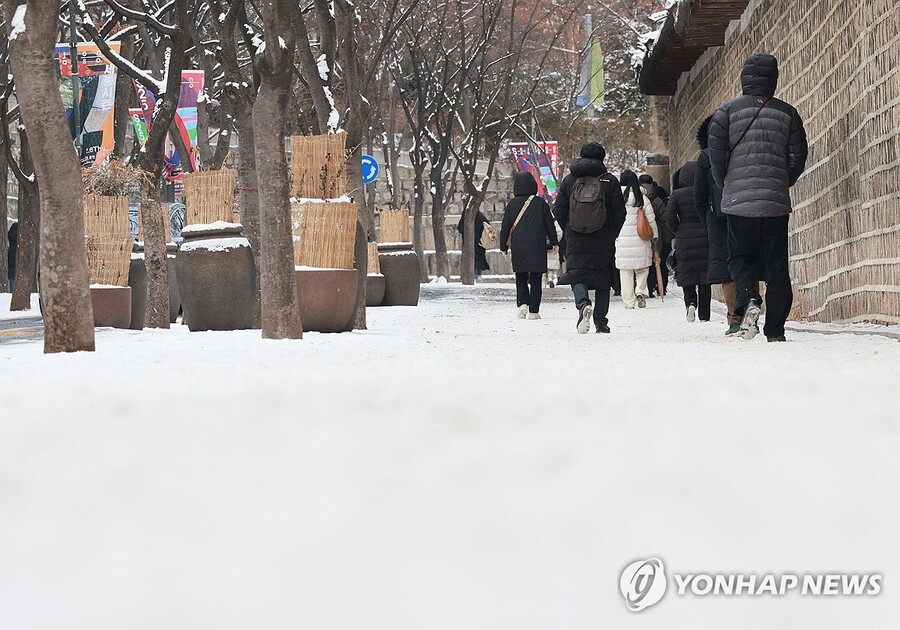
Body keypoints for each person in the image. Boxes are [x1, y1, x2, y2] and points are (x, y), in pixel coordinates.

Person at [708, 52, 808, 341]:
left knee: (740, 257)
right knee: (777, 265)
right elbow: (798, 157)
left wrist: (728, 185)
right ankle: (775, 330)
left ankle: (750, 299)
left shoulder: (725, 113)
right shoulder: (789, 114)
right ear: (774, 79)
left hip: (739, 202)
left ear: (744, 78)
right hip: (775, 202)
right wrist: (781, 182)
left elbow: (717, 158)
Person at [553, 142, 627, 334]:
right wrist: (611, 234)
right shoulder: (610, 181)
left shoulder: (569, 181)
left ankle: (583, 303)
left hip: (576, 238)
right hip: (603, 238)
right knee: (603, 278)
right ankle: (601, 321)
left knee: (577, 273)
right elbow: (620, 213)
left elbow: (558, 210)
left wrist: (569, 230)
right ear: (602, 158)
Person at [695, 116, 741, 336]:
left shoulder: (705, 157)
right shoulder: (741, 149)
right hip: (744, 213)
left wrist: (709, 221)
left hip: (718, 219)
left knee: (726, 270)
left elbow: (699, 197)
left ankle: (734, 318)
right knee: (747, 262)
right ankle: (751, 305)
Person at [499, 172, 559, 319]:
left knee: (520, 276)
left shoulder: (512, 205)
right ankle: (533, 311)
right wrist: (554, 242)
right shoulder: (540, 203)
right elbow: (549, 225)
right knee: (536, 278)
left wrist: (503, 247)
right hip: (537, 246)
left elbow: (505, 227)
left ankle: (522, 304)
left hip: (519, 246)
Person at [665, 162, 711, 322]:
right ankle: (704, 314)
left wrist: (677, 230)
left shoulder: (677, 195)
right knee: (705, 278)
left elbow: (669, 217)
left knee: (687, 274)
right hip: (705, 236)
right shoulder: (705, 191)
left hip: (684, 238)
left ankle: (690, 303)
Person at [615, 170, 659, 309]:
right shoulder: (642, 198)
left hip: (622, 239)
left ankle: (629, 302)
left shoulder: (616, 198)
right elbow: (651, 219)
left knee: (625, 272)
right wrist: (655, 235)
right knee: (642, 268)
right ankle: (640, 291)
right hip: (641, 238)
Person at [640, 174, 672, 297]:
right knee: (660, 262)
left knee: (646, 263)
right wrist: (667, 237)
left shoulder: (637, 198)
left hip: (641, 233)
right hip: (656, 234)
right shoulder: (656, 200)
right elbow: (664, 219)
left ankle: (648, 287)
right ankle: (661, 287)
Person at [457, 210, 491, 282]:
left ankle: (472, 275)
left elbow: (460, 228)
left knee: (471, 259)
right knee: (479, 259)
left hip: (469, 242)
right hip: (480, 242)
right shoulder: (481, 217)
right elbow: (487, 226)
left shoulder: (465, 216)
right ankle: (478, 275)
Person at [7, 222, 18, 292]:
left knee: (11, 277)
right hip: (16, 260)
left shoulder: (9, 236)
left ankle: (11, 291)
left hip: (10, 259)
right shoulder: (18, 238)